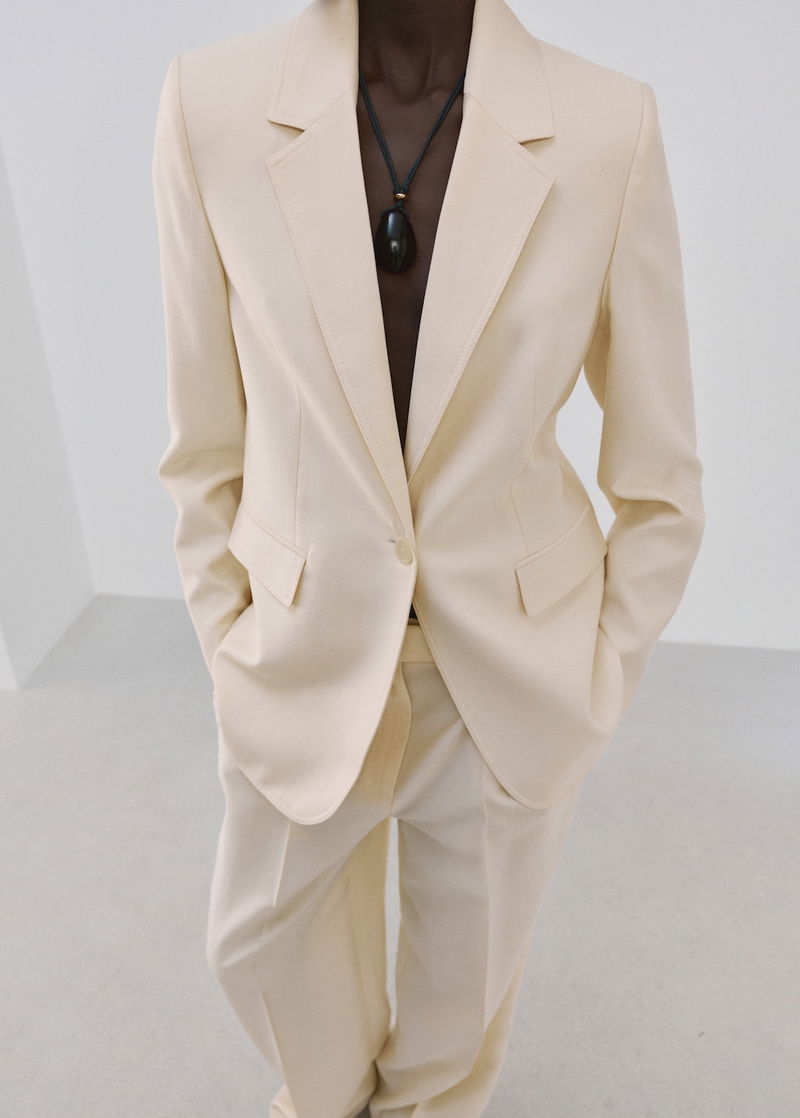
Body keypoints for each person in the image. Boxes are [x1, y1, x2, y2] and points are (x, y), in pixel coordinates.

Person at [151, 0, 705, 1114]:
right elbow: (202, 441)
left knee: (457, 1020)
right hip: (299, 648)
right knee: (255, 948)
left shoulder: (609, 129)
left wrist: (596, 674)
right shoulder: (208, 108)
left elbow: (660, 480)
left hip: (508, 668)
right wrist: (229, 639)